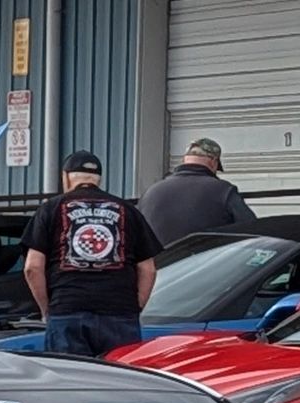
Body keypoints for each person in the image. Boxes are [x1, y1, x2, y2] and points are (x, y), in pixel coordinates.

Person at [23, 150, 162, 359]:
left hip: (67, 311)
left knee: (70, 383)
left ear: (66, 176)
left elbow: (32, 268)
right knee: (119, 382)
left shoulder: (50, 209)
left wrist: (47, 310)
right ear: (99, 179)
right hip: (119, 313)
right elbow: (148, 269)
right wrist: (134, 308)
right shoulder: (128, 210)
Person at [137, 137, 254, 245]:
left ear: (184, 160)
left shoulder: (151, 192)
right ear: (213, 162)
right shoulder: (223, 190)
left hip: (159, 265)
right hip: (206, 264)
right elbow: (252, 228)